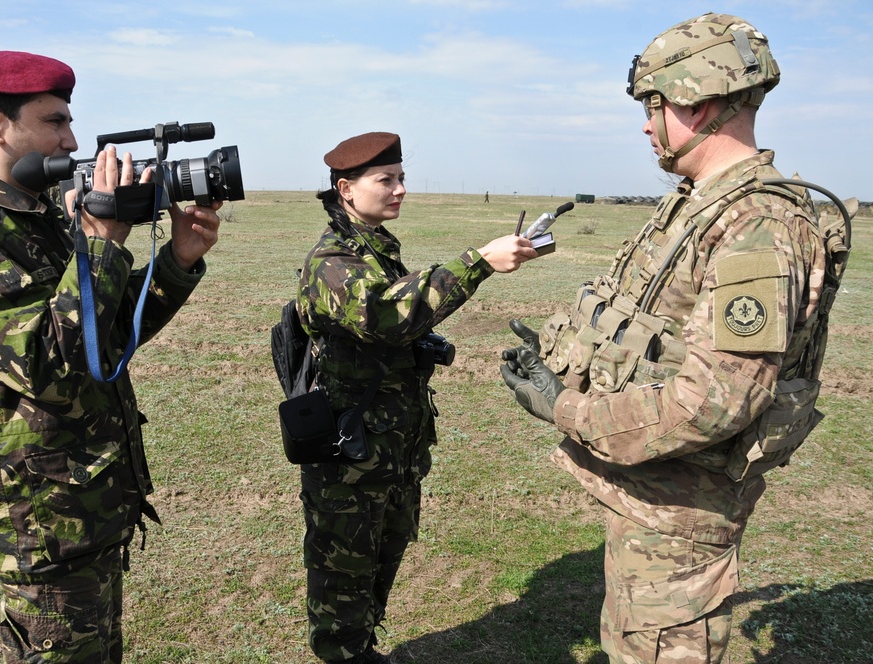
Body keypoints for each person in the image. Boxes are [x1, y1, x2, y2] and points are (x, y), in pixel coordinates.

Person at [500, 13, 843, 663]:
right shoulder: (702, 202)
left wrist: (562, 408)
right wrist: (567, 364)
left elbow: (715, 402)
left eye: (653, 104)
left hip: (681, 517)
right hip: (655, 499)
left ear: (700, 102)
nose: (645, 123)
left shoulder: (756, 227)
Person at [0, 50, 222, 663]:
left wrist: (176, 261)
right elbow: (47, 365)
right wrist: (101, 244)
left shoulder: (39, 220)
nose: (71, 139)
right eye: (55, 122)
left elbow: (103, 339)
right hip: (42, 527)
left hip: (86, 511)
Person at [296, 131, 538, 663]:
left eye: (401, 177)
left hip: (391, 447)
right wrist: (478, 261)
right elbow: (386, 314)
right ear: (346, 189)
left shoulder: (376, 248)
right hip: (350, 455)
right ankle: (345, 653)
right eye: (386, 180)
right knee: (345, 567)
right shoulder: (332, 260)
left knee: (385, 550)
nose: (400, 189)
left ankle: (362, 644)